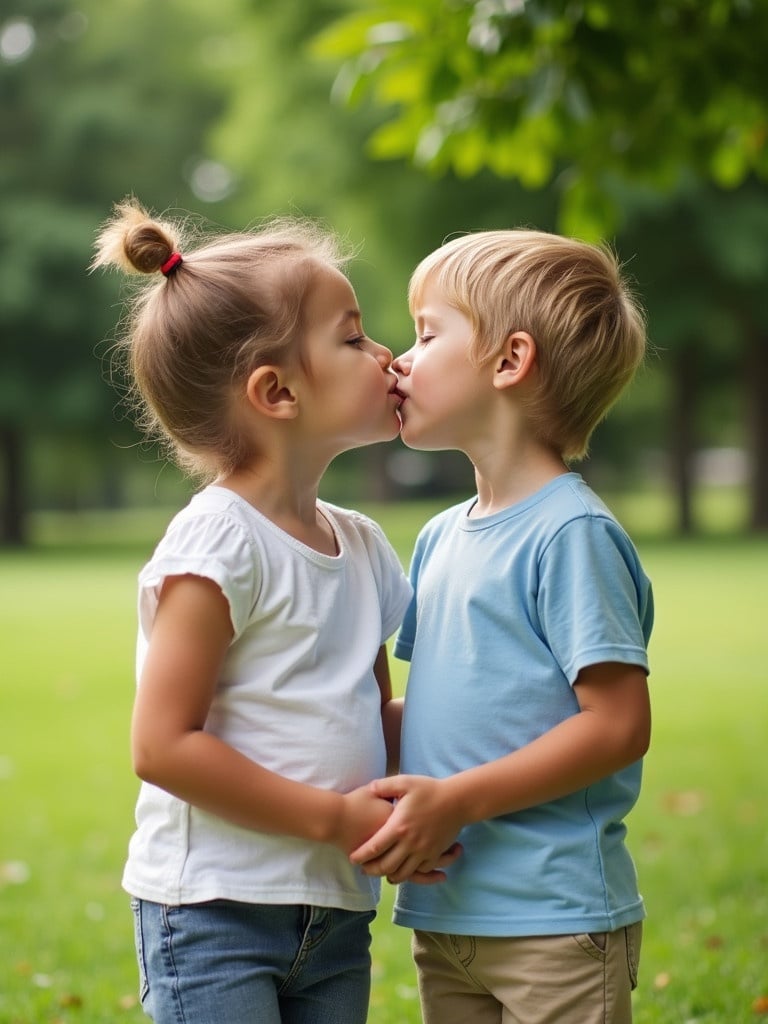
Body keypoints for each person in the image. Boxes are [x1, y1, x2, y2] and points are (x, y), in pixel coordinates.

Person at [91, 199, 454, 1024]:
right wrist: (334, 817)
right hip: (213, 910)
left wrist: (462, 777)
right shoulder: (219, 543)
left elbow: (368, 710)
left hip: (332, 910)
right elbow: (163, 745)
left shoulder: (360, 545)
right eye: (354, 337)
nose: (385, 353)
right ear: (277, 390)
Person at [350, 229, 654, 1024]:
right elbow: (442, 711)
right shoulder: (442, 536)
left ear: (509, 361)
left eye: (426, 333)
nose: (399, 360)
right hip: (449, 914)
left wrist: (455, 800)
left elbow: (618, 726)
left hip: (555, 917)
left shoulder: (570, 534)